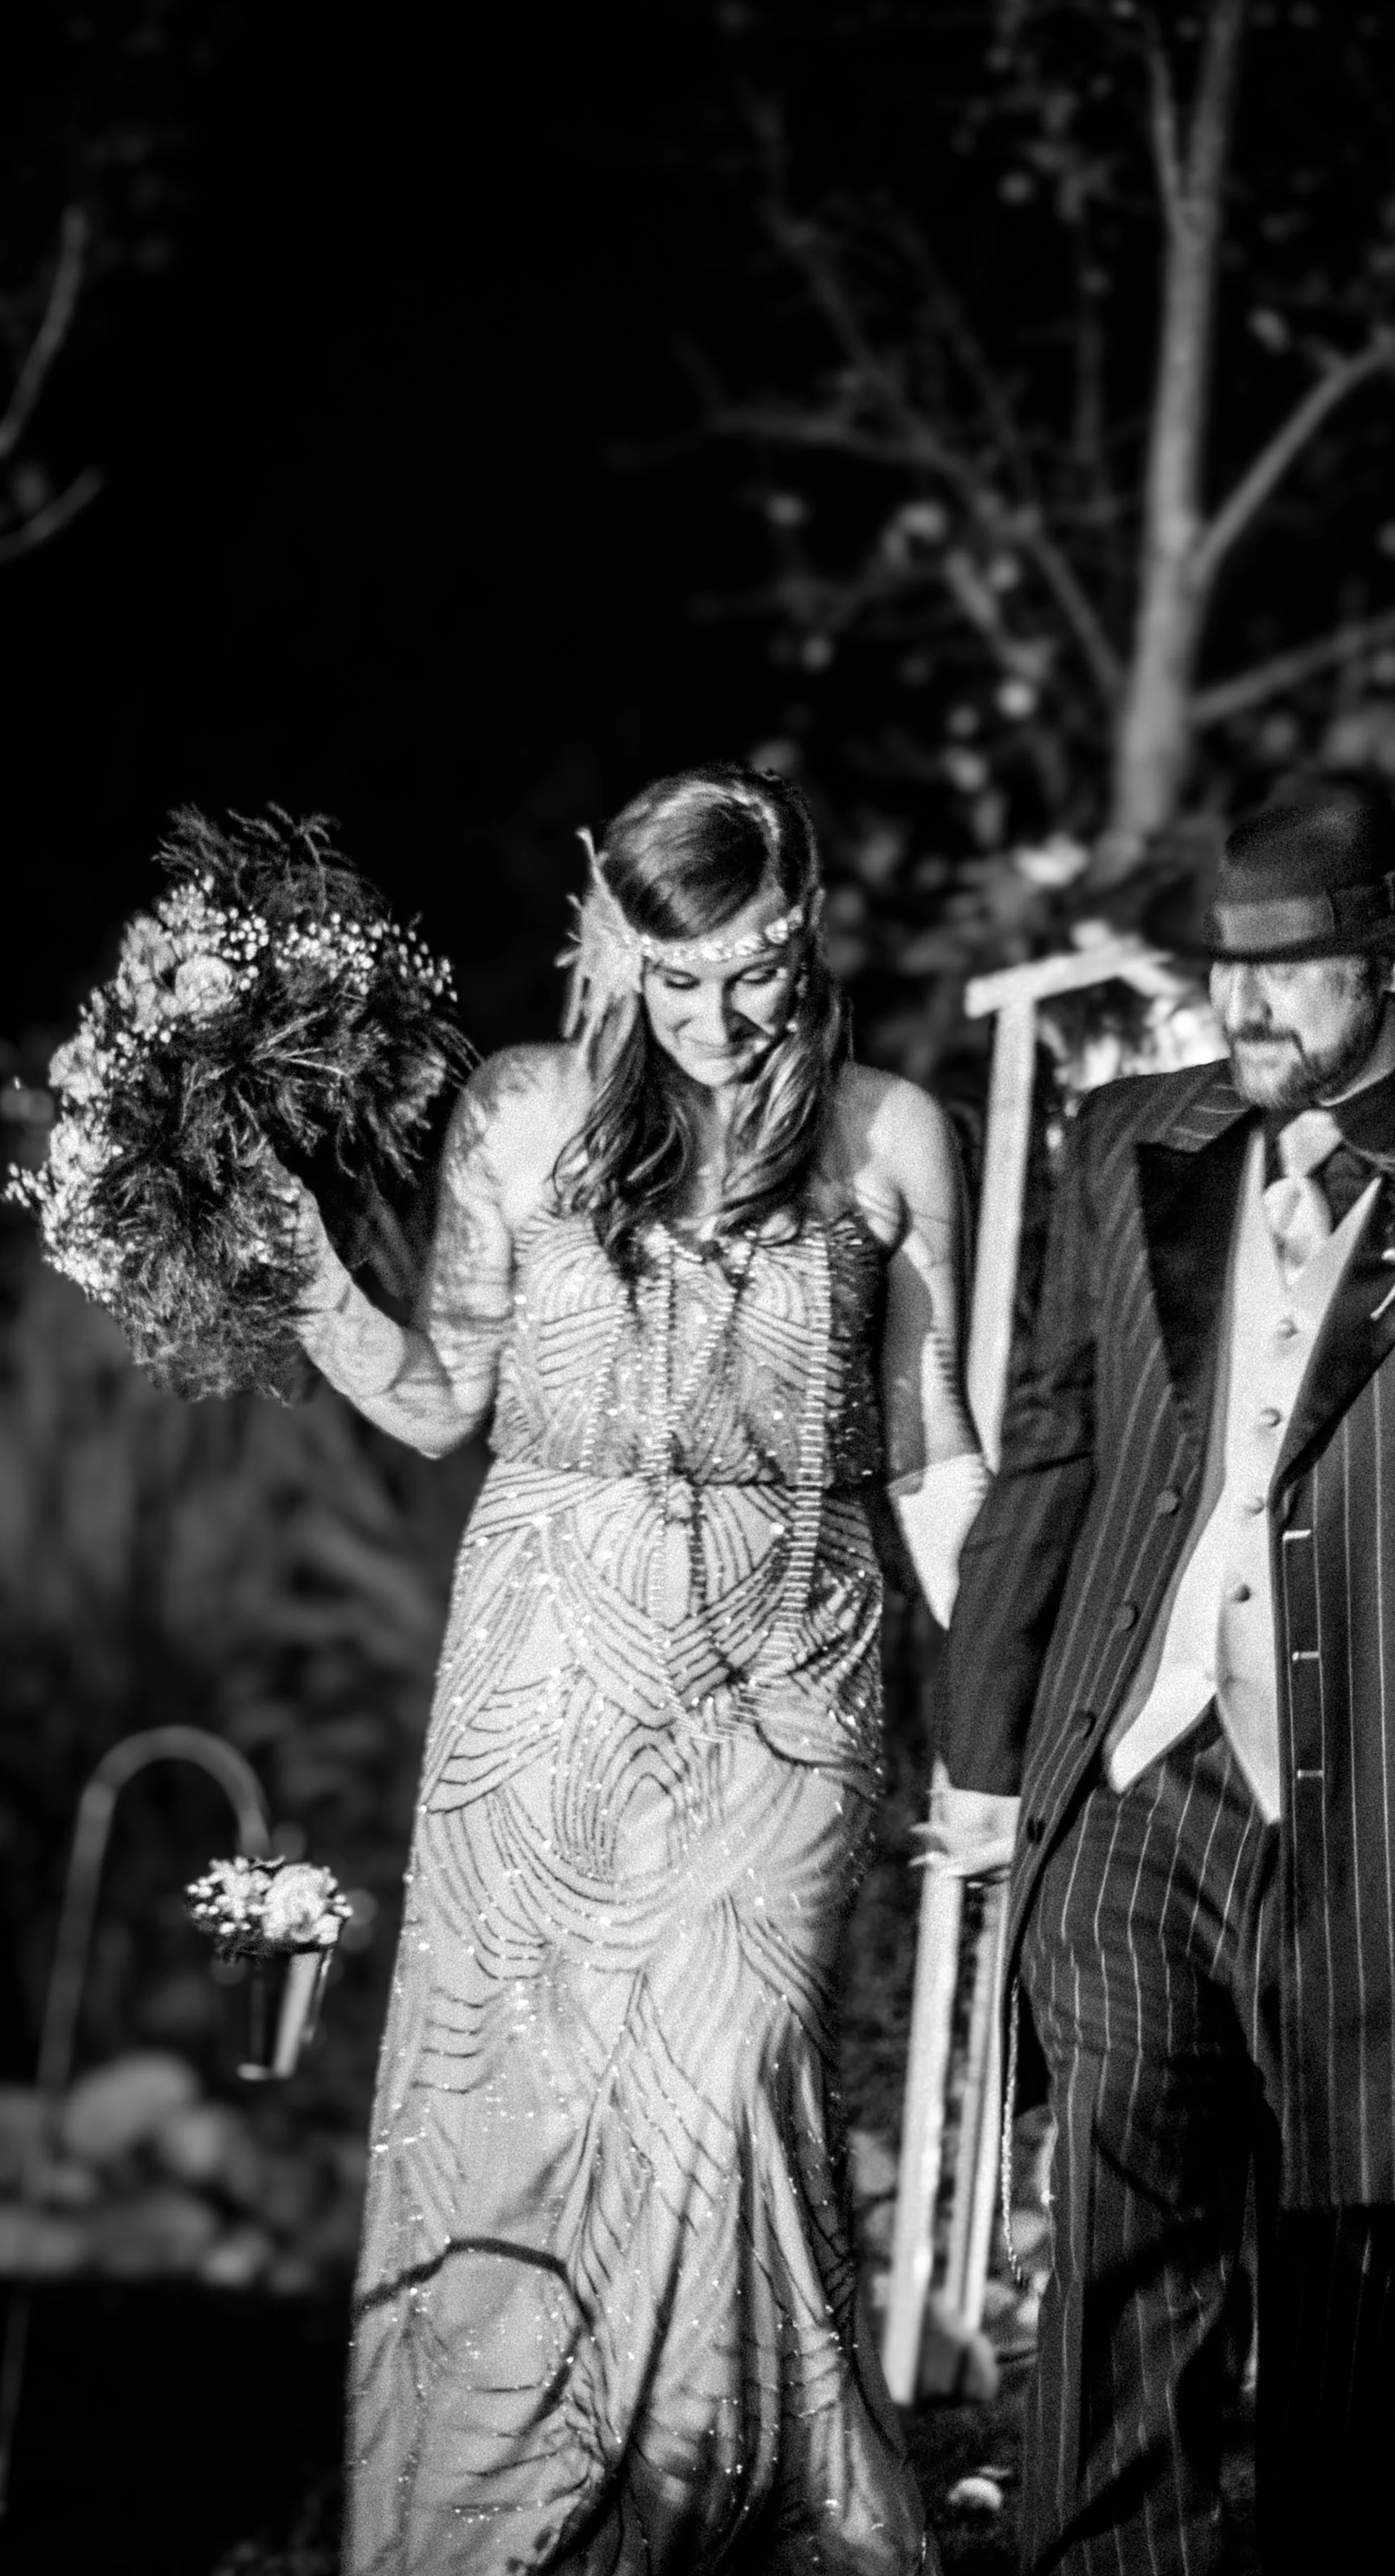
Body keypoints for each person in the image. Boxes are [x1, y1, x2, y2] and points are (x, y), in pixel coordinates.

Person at [933, 787, 1395, 2574]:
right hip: (1129, 1777)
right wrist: (982, 1748)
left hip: (1391, 1813)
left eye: (1290, 977)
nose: (1240, 1012)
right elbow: (1050, 1457)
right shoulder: (1123, 1140)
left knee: (1358, 2271)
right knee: (1117, 2235)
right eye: (1223, 972)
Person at [283, 764, 988, 2575]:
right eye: (676, 979)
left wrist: (996, 1718)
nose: (719, 1016)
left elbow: (927, 1452)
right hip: (546, 1682)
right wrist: (288, 1272)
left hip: (788, 1668)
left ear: (805, 927)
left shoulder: (892, 1132)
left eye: (751, 969)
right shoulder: (520, 1115)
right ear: (615, 949)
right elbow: (440, 1400)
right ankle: (518, 2526)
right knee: (519, 2117)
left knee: (732, 2073)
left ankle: (729, 2520)